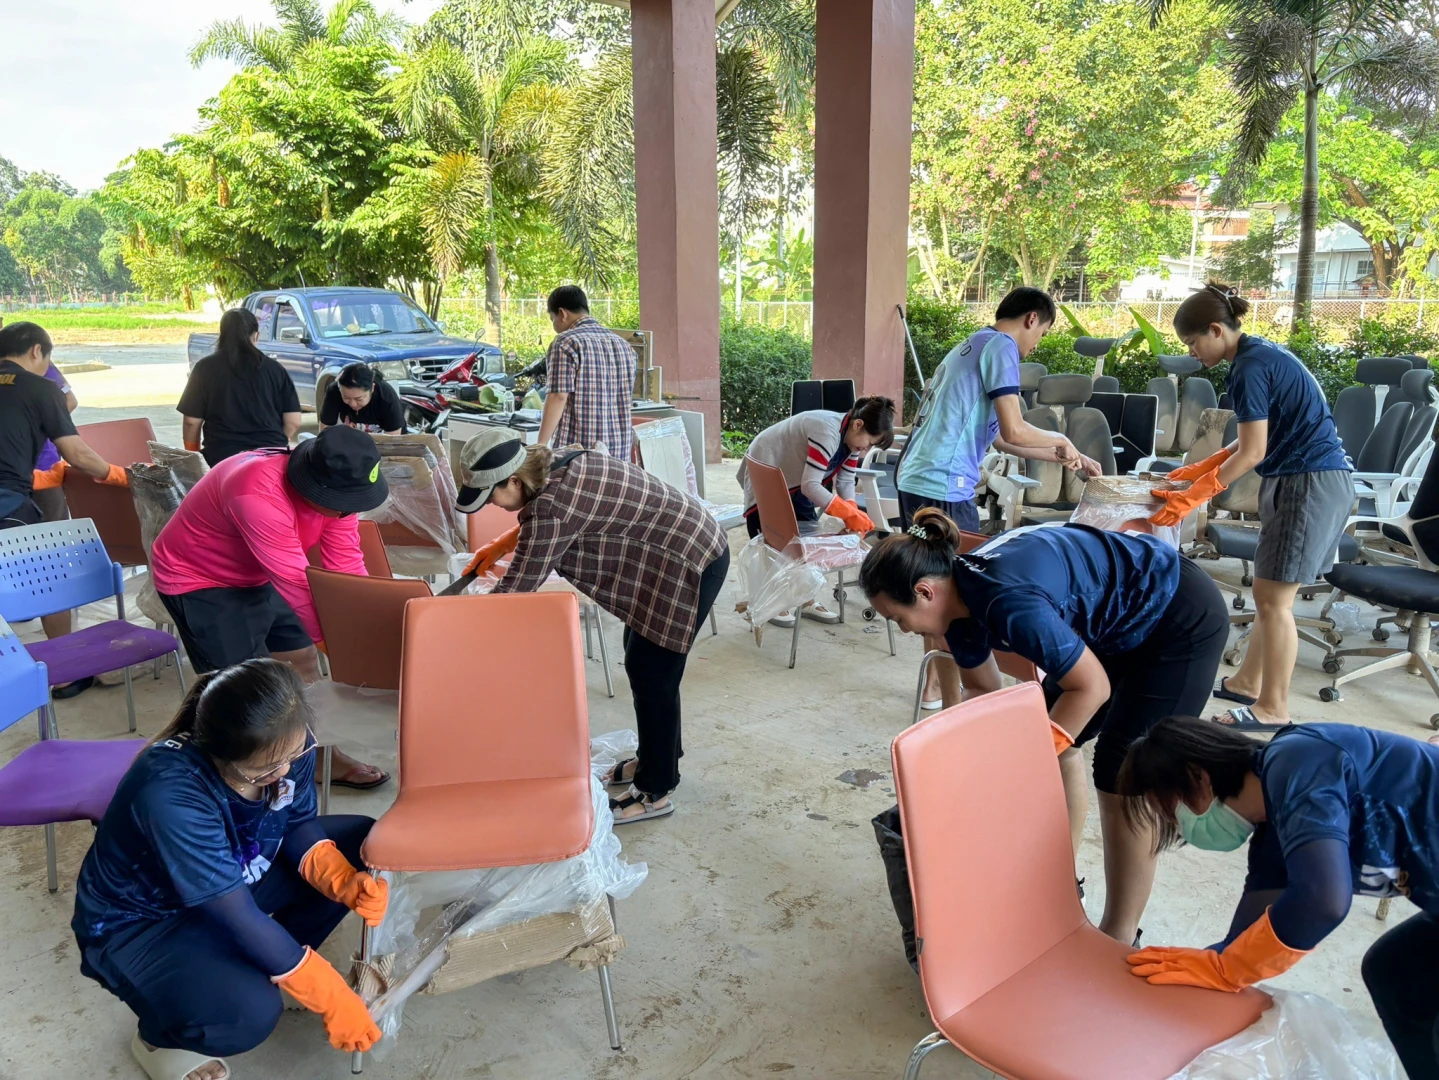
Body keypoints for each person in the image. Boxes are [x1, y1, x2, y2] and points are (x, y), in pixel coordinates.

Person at [860, 510, 1229, 944]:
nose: (903, 631)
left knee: (1122, 770)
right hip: (1115, 622)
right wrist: (970, 763)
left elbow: (1091, 688)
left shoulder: (1006, 602)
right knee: (1052, 736)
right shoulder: (955, 611)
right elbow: (985, 692)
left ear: (924, 591)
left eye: (898, 619)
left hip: (1177, 613)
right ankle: (1060, 879)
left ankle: (1118, 935)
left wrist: (1025, 763)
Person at [73, 659, 384, 1080]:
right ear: (219, 754)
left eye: (295, 754)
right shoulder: (169, 793)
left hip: (232, 871)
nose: (284, 772)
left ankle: (278, 965)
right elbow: (232, 912)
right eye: (265, 770)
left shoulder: (287, 743)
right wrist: (328, 993)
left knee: (360, 843)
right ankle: (158, 1037)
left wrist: (340, 877)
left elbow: (292, 820)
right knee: (248, 1014)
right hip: (143, 922)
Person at [1119, 716, 1439, 1079]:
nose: (1179, 826)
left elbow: (1323, 901)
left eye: (1171, 811)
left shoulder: (1300, 763)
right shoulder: (1274, 827)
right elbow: (1238, 945)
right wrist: (1205, 971)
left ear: (1199, 777)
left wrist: (1230, 967)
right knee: (1395, 973)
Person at [454, 429, 729, 825]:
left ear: (514, 480)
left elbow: (514, 592)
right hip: (670, 551)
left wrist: (452, 631)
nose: (491, 505)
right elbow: (546, 525)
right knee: (641, 661)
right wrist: (500, 545)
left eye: (492, 495)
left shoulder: (552, 507)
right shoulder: (554, 461)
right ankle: (658, 757)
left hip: (691, 558)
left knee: (655, 674)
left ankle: (656, 789)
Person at [1150, 283, 1351, 732]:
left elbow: (1253, 452)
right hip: (1308, 480)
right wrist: (1196, 470)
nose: (1193, 351)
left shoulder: (1248, 367)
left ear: (1216, 330)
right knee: (1269, 595)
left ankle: (1272, 707)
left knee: (1274, 600)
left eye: (1193, 342)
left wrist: (1194, 497)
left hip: (1306, 484)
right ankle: (1246, 682)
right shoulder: (1260, 355)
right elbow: (1248, 440)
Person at [150, 425, 391, 790]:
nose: (347, 513)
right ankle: (245, 778)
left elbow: (345, 564)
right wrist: (345, 650)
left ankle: (316, 754)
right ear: (313, 485)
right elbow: (296, 583)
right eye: (342, 505)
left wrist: (364, 625)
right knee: (243, 685)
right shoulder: (256, 492)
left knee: (302, 659)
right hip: (201, 578)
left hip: (263, 569)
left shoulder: (342, 493)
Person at [896, 287, 1101, 710]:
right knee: (953, 599)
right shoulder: (1003, 346)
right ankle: (955, 705)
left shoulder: (973, 345)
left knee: (934, 590)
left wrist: (1066, 457)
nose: (1034, 344)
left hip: (918, 478)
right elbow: (1016, 428)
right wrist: (1062, 438)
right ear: (1031, 319)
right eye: (1041, 334)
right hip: (942, 486)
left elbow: (1005, 442)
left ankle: (936, 690)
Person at [0, 321, 130, 698]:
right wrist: (119, 475)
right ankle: (63, 672)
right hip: (8, 504)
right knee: (51, 578)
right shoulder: (41, 388)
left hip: (16, 487)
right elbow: (78, 454)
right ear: (37, 351)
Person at [735, 396, 895, 624]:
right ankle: (769, 601)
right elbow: (811, 486)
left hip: (796, 478)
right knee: (771, 539)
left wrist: (852, 510)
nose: (867, 448)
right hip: (768, 465)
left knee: (805, 538)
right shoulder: (827, 431)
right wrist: (848, 513)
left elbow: (846, 481)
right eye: (869, 441)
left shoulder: (852, 441)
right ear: (858, 424)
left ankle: (805, 599)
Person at [179, 308, 302, 467]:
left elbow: (191, 422)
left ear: (221, 335)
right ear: (256, 336)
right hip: (270, 460)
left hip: (221, 460)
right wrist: (274, 446)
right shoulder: (275, 370)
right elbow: (293, 422)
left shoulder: (204, 368)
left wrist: (194, 457)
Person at [535, 285, 638, 459]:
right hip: (619, 452)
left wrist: (540, 447)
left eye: (553, 319)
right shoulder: (624, 346)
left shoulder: (566, 342)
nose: (554, 325)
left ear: (562, 313)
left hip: (578, 454)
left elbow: (558, 397)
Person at [318, 363, 405, 435]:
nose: (353, 404)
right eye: (346, 397)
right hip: (351, 442)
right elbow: (325, 430)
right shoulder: (334, 390)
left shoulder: (386, 395)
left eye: (359, 399)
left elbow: (393, 438)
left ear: (372, 388)